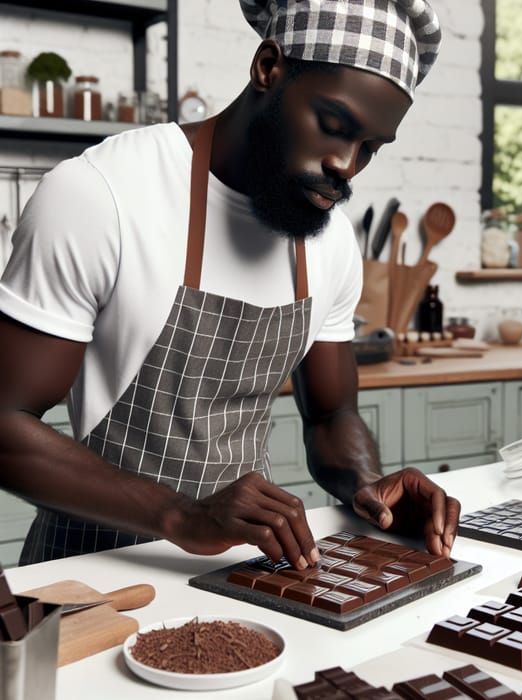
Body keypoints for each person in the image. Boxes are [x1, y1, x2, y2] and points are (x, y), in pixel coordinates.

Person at [0, 0, 460, 568]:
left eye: (370, 147)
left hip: (243, 573)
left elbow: (331, 416)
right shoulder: (101, 195)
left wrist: (369, 486)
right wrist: (181, 515)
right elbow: (5, 422)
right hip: (92, 572)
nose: (347, 164)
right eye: (334, 125)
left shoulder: (332, 243)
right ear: (268, 67)